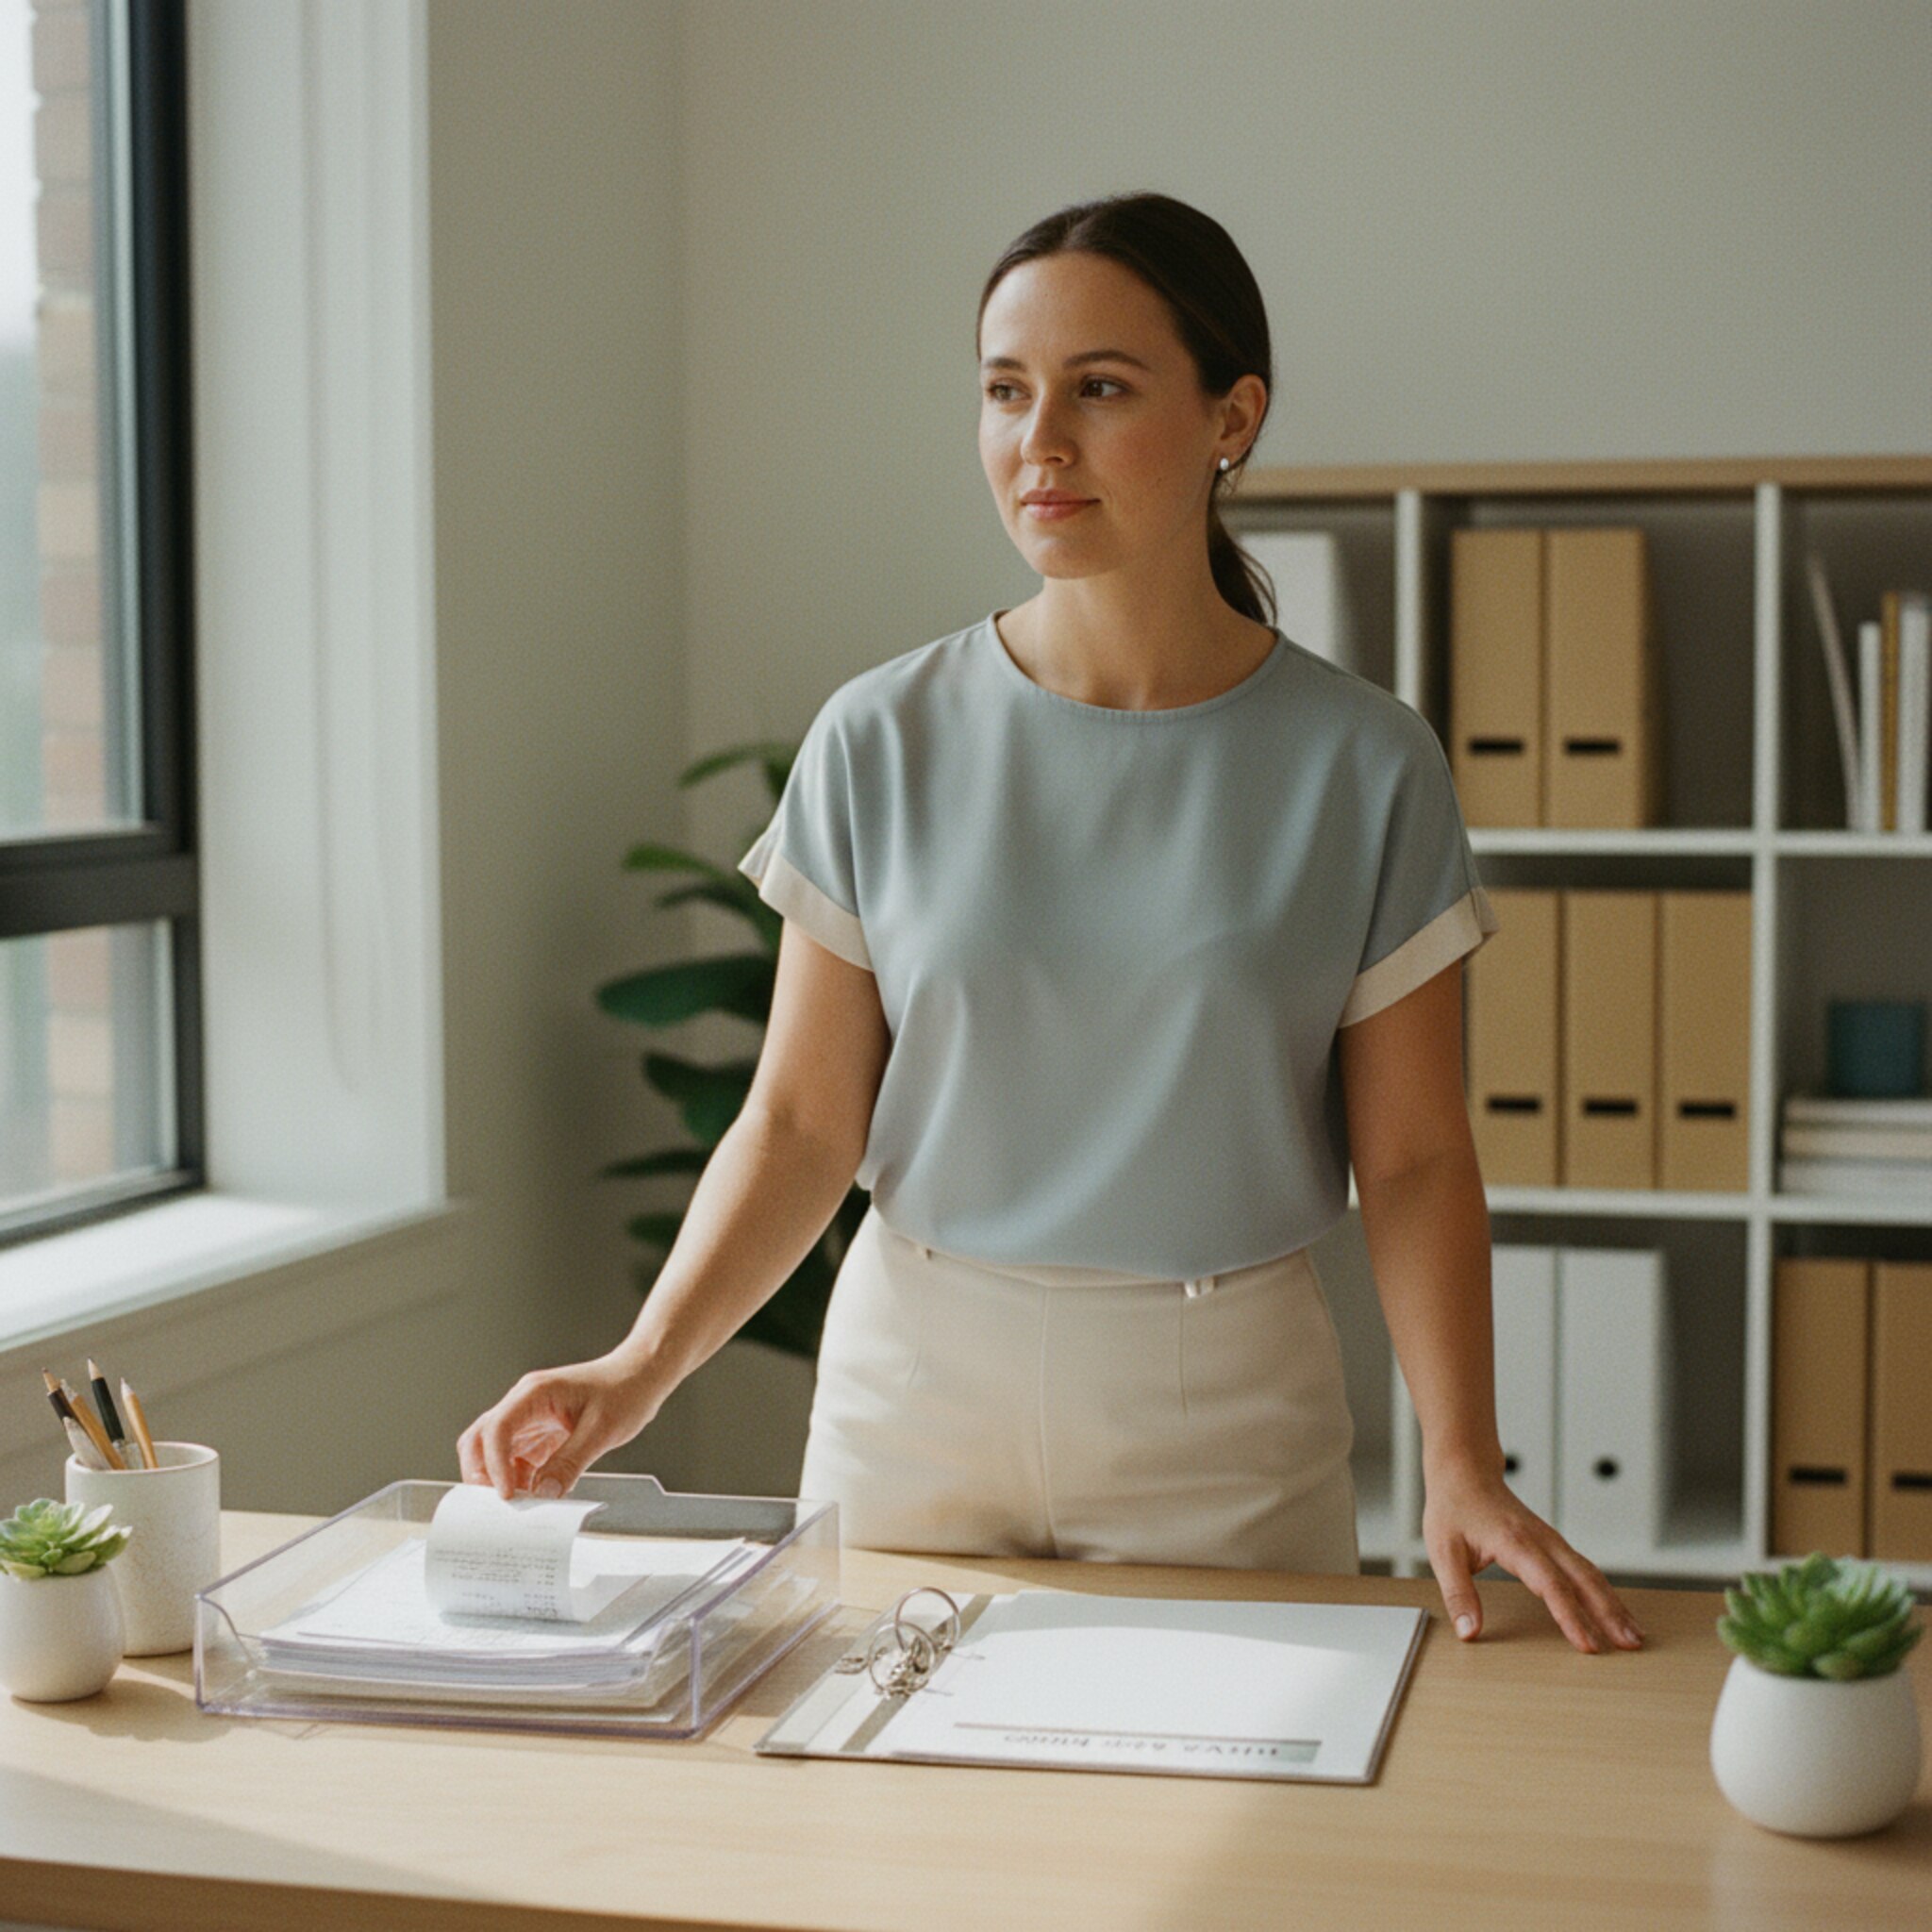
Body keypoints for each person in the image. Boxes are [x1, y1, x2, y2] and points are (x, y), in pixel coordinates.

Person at [458, 191, 1646, 1657]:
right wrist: (640, 1366)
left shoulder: (1364, 764)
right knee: (878, 1785)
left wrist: (1462, 1458)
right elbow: (803, 1125)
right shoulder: (879, 737)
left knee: (1244, 1789)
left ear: (1232, 417)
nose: (1042, 441)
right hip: (914, 1391)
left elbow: (1412, 1156)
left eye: (1102, 389)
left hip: (1224, 1412)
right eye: (1007, 391)